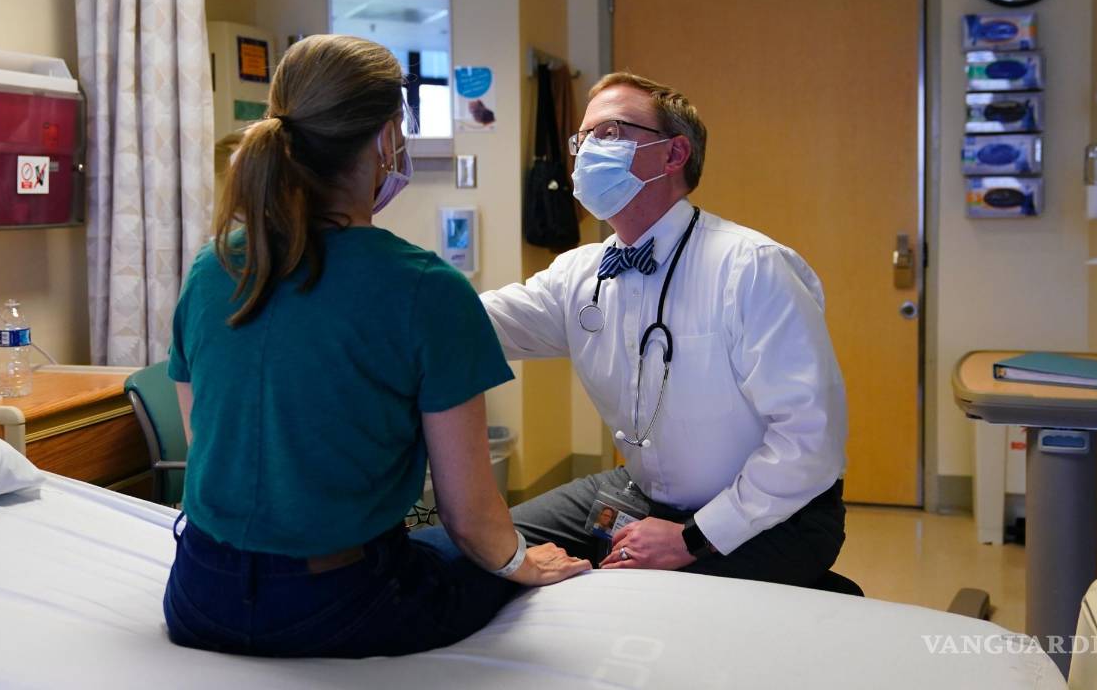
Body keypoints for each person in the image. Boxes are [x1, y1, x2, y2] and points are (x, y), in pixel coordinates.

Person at [162, 35, 589, 659]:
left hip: (199, 595)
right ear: (389, 136)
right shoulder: (425, 289)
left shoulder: (214, 266)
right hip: (338, 605)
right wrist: (522, 564)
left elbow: (206, 443)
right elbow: (470, 518)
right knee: (509, 551)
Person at [481, 72, 849, 585]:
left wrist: (693, 537)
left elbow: (811, 439)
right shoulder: (580, 274)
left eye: (608, 134)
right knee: (488, 552)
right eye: (581, 139)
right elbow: (475, 325)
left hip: (775, 513)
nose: (587, 152)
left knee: (655, 613)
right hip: (643, 495)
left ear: (674, 155)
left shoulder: (750, 266)